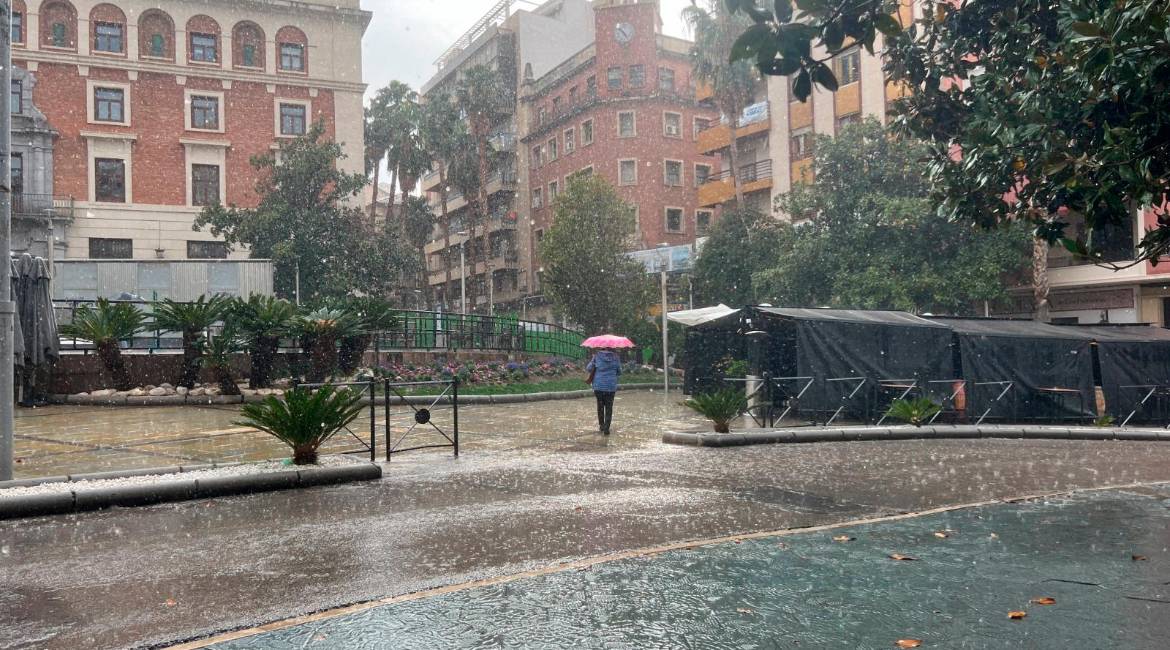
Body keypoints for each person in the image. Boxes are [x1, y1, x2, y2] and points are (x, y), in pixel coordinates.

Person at [586, 348, 622, 434]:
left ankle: (601, 425)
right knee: (609, 407)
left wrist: (593, 360)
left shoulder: (597, 356)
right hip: (610, 387)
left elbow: (589, 368)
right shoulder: (616, 357)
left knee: (600, 405)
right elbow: (619, 372)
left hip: (598, 386)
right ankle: (607, 428)